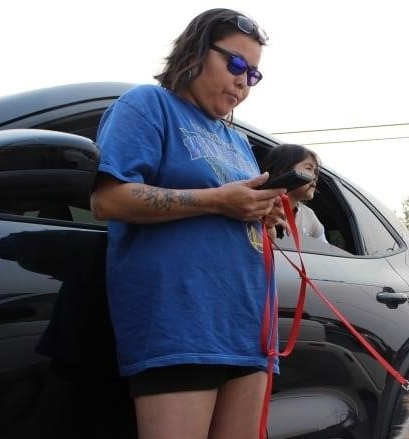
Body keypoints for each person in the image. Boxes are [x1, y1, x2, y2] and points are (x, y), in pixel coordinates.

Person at [89, 8, 284, 439]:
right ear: (196, 51)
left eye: (252, 75)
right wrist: (218, 201)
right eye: (235, 64)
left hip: (247, 329)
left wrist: (263, 213)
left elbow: (241, 217)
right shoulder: (147, 105)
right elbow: (107, 198)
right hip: (180, 327)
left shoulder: (238, 141)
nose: (241, 82)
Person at [262, 144, 327, 242]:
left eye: (315, 172)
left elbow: (324, 250)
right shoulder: (258, 202)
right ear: (283, 170)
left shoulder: (309, 215)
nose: (315, 177)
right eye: (309, 169)